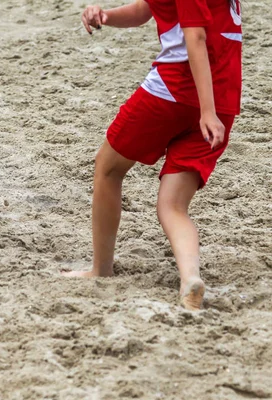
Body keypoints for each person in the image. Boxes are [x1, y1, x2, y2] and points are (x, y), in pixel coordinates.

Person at [62, 0, 242, 310]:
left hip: (178, 91)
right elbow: (150, 8)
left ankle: (101, 270)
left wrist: (205, 112)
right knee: (172, 205)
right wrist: (106, 16)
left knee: (108, 168)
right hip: (224, 97)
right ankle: (190, 279)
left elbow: (194, 37)